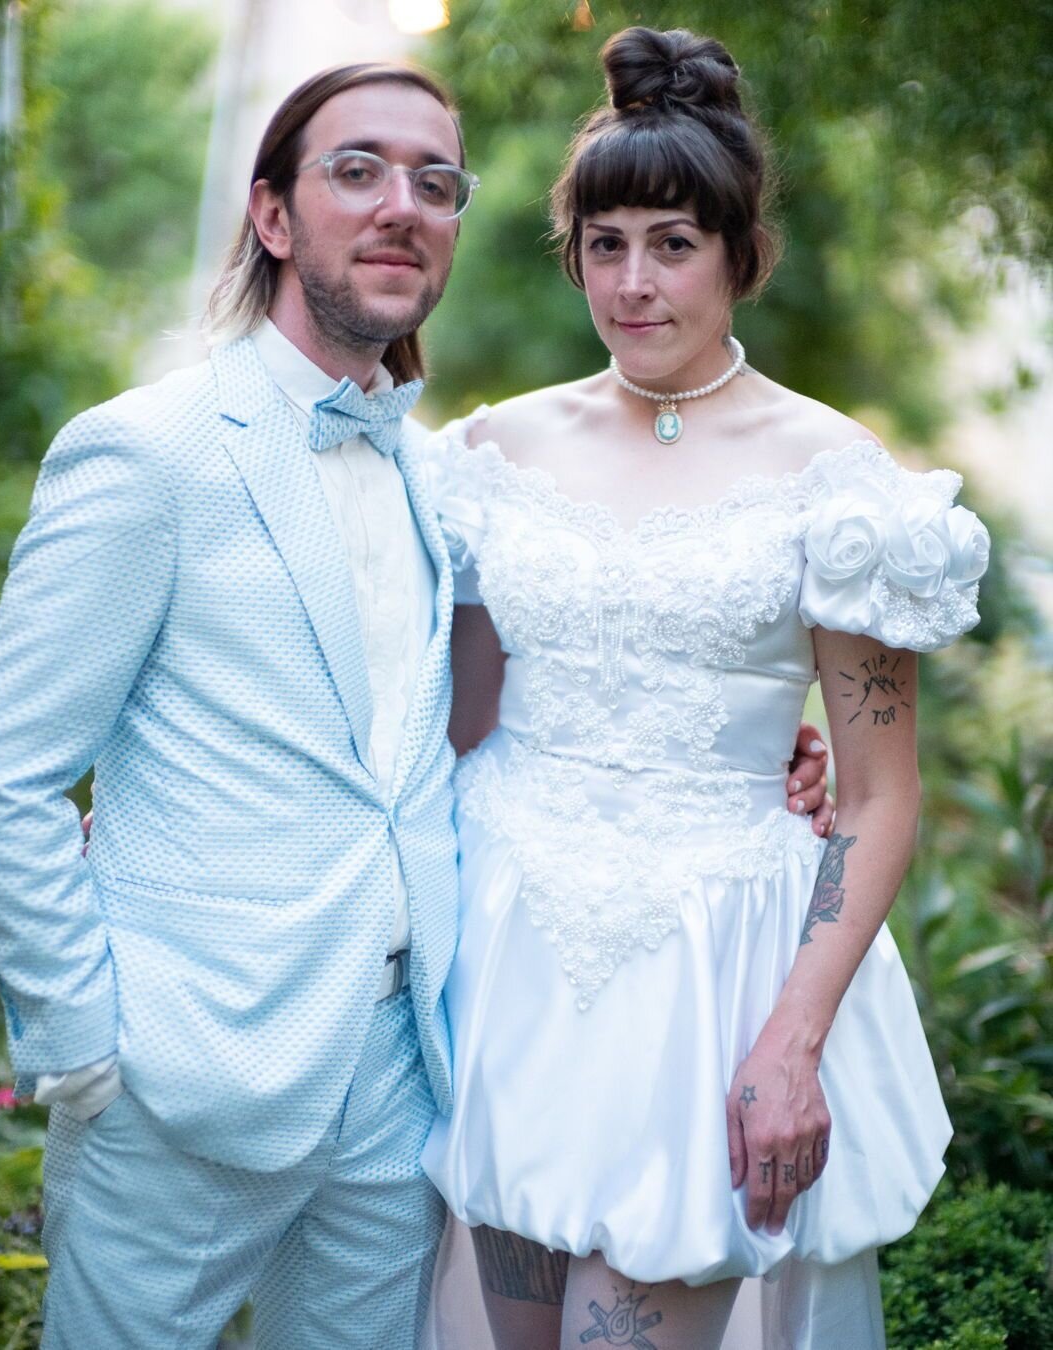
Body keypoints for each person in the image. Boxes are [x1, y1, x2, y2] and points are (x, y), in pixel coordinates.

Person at [0, 56, 830, 1349]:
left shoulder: (452, 479)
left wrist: (753, 746)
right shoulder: (148, 456)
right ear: (273, 216)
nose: (401, 206)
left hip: (403, 1090)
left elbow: (513, 704)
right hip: (184, 1079)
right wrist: (88, 1044)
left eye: (435, 182)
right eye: (357, 170)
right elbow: (5, 769)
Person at [420, 26, 991, 1350]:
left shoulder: (837, 479)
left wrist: (793, 1037)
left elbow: (878, 791)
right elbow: (448, 723)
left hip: (712, 979)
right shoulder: (493, 454)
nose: (632, 282)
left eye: (672, 242)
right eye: (604, 243)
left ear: (739, 251)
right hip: (508, 962)